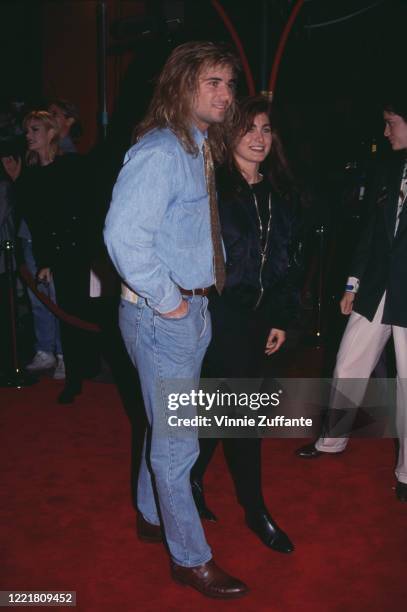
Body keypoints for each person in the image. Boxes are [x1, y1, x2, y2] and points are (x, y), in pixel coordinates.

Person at [104, 41, 249, 599]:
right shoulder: (164, 150)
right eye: (211, 81)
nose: (223, 93)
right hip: (165, 315)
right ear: (180, 85)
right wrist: (172, 303)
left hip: (187, 310)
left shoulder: (198, 146)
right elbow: (122, 238)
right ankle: (190, 559)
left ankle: (149, 513)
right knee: (177, 444)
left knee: (162, 427)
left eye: (228, 83)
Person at [190, 96, 302, 552]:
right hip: (222, 314)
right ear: (229, 135)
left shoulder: (281, 192)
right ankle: (255, 509)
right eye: (249, 128)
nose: (259, 137)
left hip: (260, 317)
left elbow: (290, 261)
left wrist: (281, 316)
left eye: (266, 129)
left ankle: (193, 476)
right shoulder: (211, 188)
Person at [296, 92, 407, 503]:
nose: (385, 131)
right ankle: (331, 441)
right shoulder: (387, 168)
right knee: (348, 363)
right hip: (377, 287)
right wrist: (352, 283)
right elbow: (371, 235)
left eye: (391, 122)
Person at [16, 111, 90, 403]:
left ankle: (77, 372)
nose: (28, 135)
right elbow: (36, 219)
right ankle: (73, 376)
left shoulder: (71, 165)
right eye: (27, 131)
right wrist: (46, 259)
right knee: (62, 311)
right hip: (51, 252)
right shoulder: (31, 174)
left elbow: (76, 213)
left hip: (74, 251)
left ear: (50, 133)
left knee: (74, 312)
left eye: (35, 129)